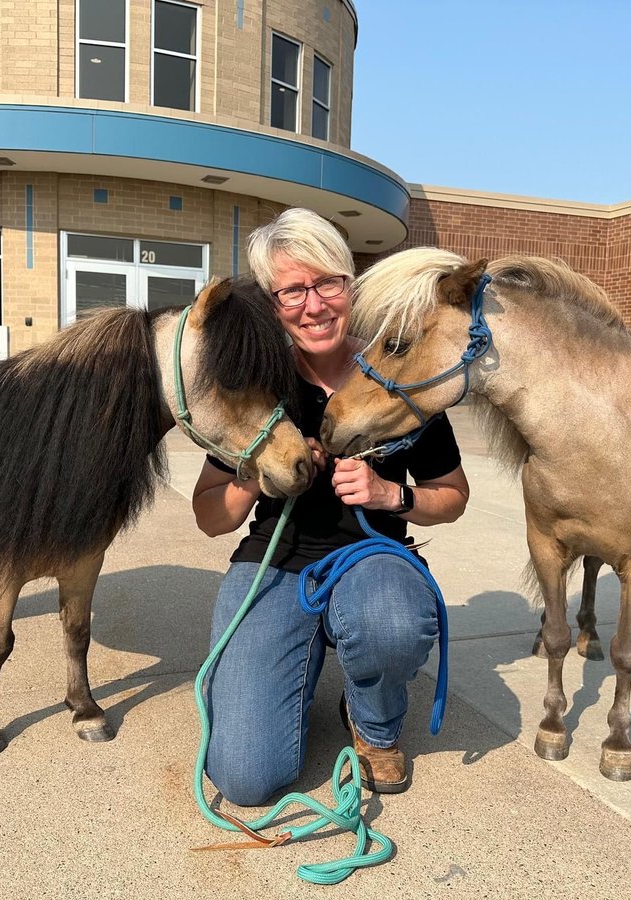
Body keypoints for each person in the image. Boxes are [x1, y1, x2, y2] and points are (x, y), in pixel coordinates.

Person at [192, 208, 470, 804]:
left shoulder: (399, 368)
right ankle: (298, 655)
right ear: (272, 304)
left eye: (328, 283)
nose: (313, 305)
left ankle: (371, 720)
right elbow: (210, 515)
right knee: (245, 777)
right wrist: (260, 478)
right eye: (292, 290)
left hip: (373, 558)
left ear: (351, 285)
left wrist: (391, 495)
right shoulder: (255, 382)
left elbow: (453, 497)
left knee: (391, 621)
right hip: (275, 563)